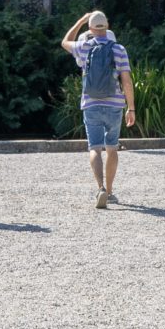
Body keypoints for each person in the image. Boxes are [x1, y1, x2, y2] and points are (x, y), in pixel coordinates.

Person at [61, 10, 136, 208]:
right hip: (114, 105)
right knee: (111, 147)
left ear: (91, 29)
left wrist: (80, 21)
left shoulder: (84, 47)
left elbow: (65, 42)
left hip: (91, 104)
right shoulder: (119, 49)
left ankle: (101, 188)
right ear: (108, 25)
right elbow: (126, 81)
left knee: (94, 147)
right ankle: (110, 191)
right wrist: (131, 108)